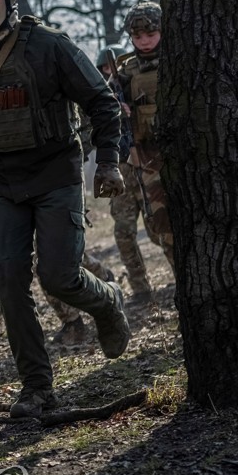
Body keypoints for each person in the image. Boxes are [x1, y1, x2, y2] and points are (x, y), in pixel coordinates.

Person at [0, 0, 130, 419]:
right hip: (1, 185)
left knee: (59, 277)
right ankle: (37, 388)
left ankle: (108, 301)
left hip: (54, 176)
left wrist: (107, 162)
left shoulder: (50, 46)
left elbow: (102, 104)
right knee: (8, 285)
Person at [116, 2, 175, 274]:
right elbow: (102, 106)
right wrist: (118, 109)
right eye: (138, 37)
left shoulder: (178, 62)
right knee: (163, 224)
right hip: (148, 159)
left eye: (150, 35)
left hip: (185, 152)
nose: (144, 42)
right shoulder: (126, 72)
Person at [96, 45, 154, 300]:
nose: (110, 73)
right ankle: (140, 286)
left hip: (148, 164)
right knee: (123, 231)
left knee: (158, 229)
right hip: (121, 170)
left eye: (112, 68)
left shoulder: (139, 86)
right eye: (105, 69)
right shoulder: (101, 98)